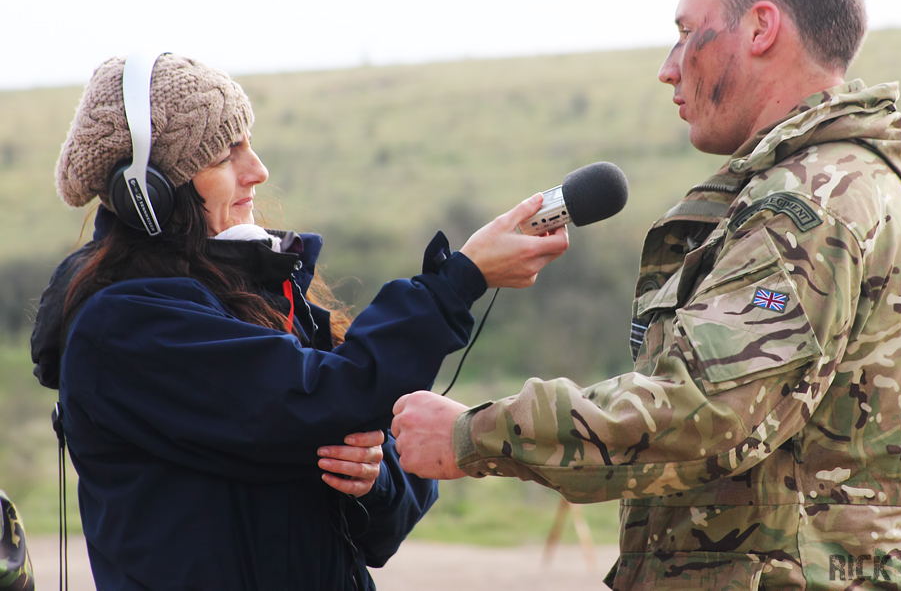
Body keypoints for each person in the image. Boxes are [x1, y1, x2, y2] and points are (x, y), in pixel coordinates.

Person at [390, 0, 901, 590]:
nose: (670, 65)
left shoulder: (814, 200)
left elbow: (702, 413)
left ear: (761, 27)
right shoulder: (845, 183)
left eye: (688, 32)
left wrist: (472, 435)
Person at [29, 53, 568, 590]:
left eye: (248, 143)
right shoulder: (126, 330)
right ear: (148, 194)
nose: (256, 170)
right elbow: (329, 398)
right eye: (224, 154)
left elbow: (386, 521)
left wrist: (372, 480)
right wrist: (458, 282)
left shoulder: (256, 294)